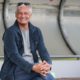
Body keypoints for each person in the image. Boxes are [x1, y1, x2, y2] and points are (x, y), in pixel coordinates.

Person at [0, 2, 55, 80]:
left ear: (30, 15)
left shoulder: (36, 31)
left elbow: (43, 51)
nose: (23, 16)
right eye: (20, 13)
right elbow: (14, 56)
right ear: (16, 15)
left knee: (41, 77)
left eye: (26, 13)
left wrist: (48, 65)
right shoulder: (10, 32)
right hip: (16, 68)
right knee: (45, 76)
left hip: (34, 67)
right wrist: (33, 67)